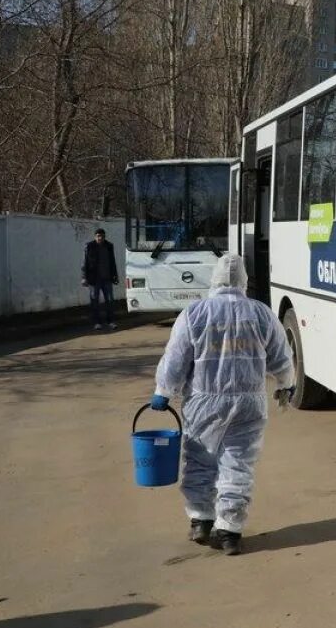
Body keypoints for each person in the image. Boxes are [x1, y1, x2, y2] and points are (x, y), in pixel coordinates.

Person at [149, 253, 295, 555]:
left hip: (205, 402)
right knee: (238, 464)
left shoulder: (194, 314)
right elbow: (282, 355)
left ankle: (201, 520)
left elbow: (176, 358)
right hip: (249, 402)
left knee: (201, 460)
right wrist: (286, 383)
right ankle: (230, 530)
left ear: (214, 279)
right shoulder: (261, 313)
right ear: (243, 281)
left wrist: (164, 390)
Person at [81, 228, 119, 330]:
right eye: (98, 236)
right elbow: (84, 263)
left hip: (107, 278)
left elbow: (112, 262)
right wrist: (84, 277)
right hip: (94, 279)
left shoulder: (109, 246)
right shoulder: (89, 246)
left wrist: (115, 275)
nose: (100, 238)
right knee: (94, 301)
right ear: (95, 236)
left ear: (104, 237)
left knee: (110, 300)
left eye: (102, 236)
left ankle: (110, 321)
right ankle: (97, 322)